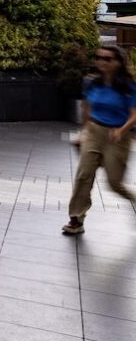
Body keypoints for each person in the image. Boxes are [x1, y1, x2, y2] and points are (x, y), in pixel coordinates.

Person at [62, 45, 136, 236]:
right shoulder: (92, 83)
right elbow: (86, 108)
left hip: (117, 136)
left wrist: (121, 130)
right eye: (99, 58)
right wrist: (84, 131)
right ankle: (76, 219)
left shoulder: (128, 86)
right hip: (94, 132)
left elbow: (134, 115)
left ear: (119, 62)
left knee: (114, 184)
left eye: (108, 59)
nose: (102, 62)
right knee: (84, 175)